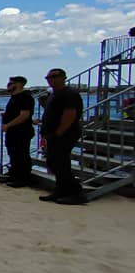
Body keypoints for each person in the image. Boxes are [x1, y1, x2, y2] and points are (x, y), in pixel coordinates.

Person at [39, 68, 85, 205]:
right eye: (48, 77)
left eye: (54, 76)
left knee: (61, 163)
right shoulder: (54, 94)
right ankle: (61, 189)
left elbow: (70, 114)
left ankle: (76, 193)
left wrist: (59, 132)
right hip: (52, 133)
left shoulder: (70, 93)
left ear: (64, 77)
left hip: (64, 134)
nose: (51, 79)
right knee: (54, 163)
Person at [0, 76, 35, 187]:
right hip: (12, 131)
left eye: (12, 83)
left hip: (22, 131)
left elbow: (24, 115)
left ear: (19, 84)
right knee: (13, 153)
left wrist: (8, 124)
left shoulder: (25, 97)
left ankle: (23, 178)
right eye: (9, 83)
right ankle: (14, 174)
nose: (8, 85)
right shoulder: (14, 97)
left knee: (22, 154)